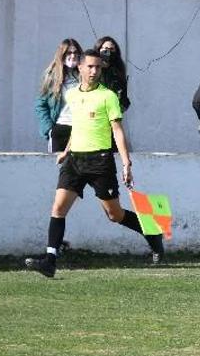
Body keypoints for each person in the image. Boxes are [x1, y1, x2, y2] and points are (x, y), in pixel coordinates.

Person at [24, 48, 164, 277]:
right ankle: (50, 260)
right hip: (74, 160)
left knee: (114, 215)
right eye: (90, 66)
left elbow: (117, 131)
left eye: (98, 67)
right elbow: (78, 126)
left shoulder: (108, 96)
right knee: (58, 208)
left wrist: (126, 164)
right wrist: (66, 150)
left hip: (100, 161)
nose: (94, 71)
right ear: (79, 67)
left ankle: (152, 232)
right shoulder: (72, 95)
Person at [35, 38, 83, 153]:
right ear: (62, 54)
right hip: (60, 128)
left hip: (81, 129)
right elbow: (40, 105)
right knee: (58, 167)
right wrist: (49, 129)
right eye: (69, 52)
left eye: (75, 52)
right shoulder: (52, 77)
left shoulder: (84, 76)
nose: (72, 56)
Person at [94, 37, 131, 113]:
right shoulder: (93, 69)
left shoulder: (118, 72)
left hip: (112, 116)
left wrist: (118, 109)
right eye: (105, 48)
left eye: (111, 49)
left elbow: (124, 99)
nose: (108, 52)